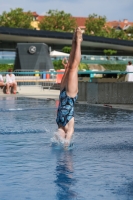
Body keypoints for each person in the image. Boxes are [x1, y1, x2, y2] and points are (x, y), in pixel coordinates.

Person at [55, 27, 83, 147]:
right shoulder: (64, 124)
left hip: (66, 95)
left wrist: (66, 145)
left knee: (72, 67)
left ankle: (76, 42)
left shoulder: (64, 126)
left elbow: (69, 133)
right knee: (72, 67)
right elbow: (68, 133)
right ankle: (75, 42)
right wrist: (66, 144)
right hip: (65, 96)